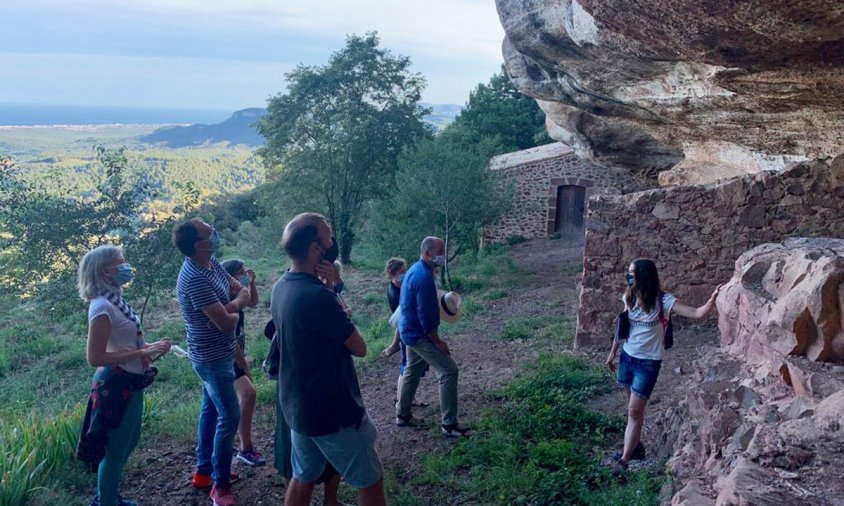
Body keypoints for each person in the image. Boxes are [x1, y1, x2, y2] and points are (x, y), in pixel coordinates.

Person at [271, 212, 385, 506]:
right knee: (370, 480)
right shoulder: (317, 296)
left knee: (304, 473)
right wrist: (333, 293)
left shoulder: (282, 286)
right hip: (332, 411)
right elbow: (360, 347)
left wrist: (331, 287)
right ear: (314, 249)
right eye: (328, 238)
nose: (333, 242)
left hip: (300, 406)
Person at [76, 245, 172, 506]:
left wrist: (150, 350)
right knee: (116, 450)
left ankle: (108, 496)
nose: (125, 267)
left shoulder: (115, 301)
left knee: (128, 442)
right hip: (117, 385)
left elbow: (123, 345)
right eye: (120, 263)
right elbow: (94, 357)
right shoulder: (101, 307)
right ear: (105, 271)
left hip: (130, 381)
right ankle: (106, 501)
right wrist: (143, 351)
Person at [605, 258, 722, 469]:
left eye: (632, 273)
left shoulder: (664, 301)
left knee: (633, 411)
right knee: (633, 409)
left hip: (648, 364)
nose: (628, 276)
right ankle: (637, 447)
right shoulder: (629, 297)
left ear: (644, 276)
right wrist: (612, 352)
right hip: (627, 358)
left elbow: (697, 313)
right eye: (628, 272)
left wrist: (712, 299)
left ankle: (623, 461)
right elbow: (622, 326)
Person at [173, 218, 253, 506]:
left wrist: (235, 302)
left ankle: (204, 472)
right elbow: (226, 323)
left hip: (219, 352)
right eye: (210, 233)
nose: (215, 235)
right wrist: (237, 304)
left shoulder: (211, 262)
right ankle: (219, 486)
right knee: (228, 416)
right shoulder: (194, 277)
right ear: (198, 244)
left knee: (210, 411)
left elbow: (236, 288)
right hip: (211, 357)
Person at [396, 237, 471, 438]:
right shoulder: (423, 277)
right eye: (440, 250)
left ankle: (402, 415)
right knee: (449, 371)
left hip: (408, 330)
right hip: (417, 334)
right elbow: (426, 316)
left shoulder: (415, 269)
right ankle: (449, 425)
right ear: (427, 253)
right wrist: (437, 341)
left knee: (412, 369)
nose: (442, 254)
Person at [220, 259, 263, 466]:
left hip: (233, 355)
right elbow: (230, 338)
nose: (242, 275)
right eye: (239, 273)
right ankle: (245, 448)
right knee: (248, 393)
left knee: (222, 406)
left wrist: (251, 283)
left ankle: (226, 449)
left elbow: (254, 302)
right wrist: (244, 365)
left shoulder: (238, 296)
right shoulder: (225, 303)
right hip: (227, 356)